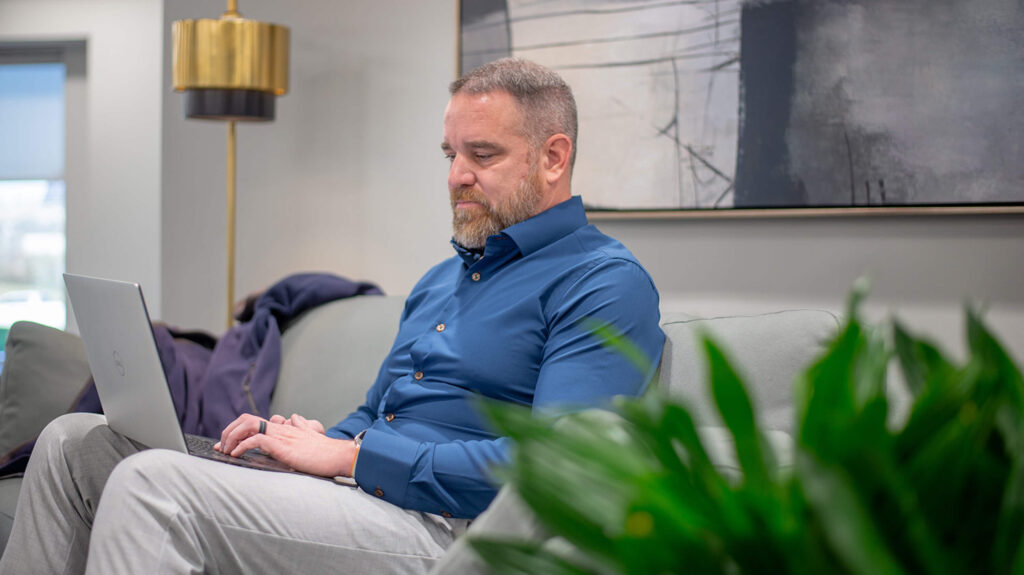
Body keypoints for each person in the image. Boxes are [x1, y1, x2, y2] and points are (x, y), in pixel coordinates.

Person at [0, 58, 664, 574]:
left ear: (553, 157)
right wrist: (297, 442)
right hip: (364, 497)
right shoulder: (441, 281)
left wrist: (349, 455)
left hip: (446, 525)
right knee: (70, 443)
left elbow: (557, 467)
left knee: (152, 484)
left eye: (482, 155)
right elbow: (379, 415)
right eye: (449, 155)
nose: (457, 175)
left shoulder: (602, 282)